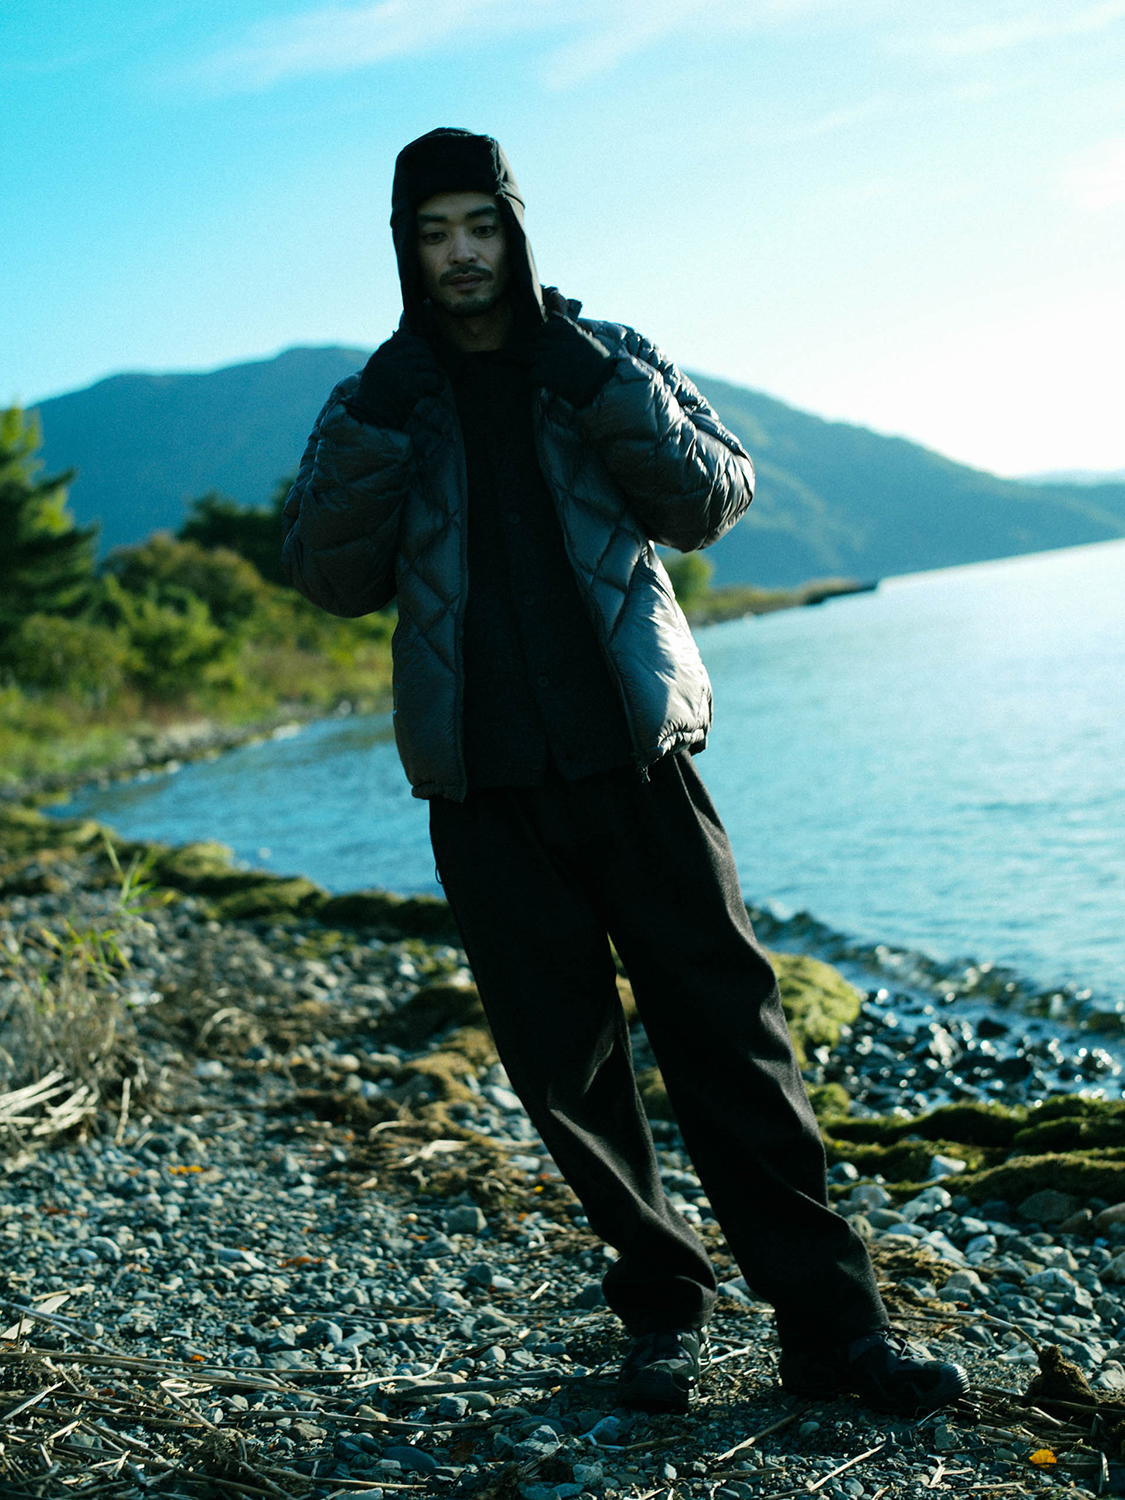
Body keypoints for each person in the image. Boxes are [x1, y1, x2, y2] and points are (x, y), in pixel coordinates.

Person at [282, 127, 967, 1417]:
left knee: (736, 1043)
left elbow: (713, 499)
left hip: (638, 767)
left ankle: (835, 1335)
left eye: (480, 225)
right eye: (433, 233)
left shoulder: (606, 354)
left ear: (515, 228)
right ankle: (662, 1316)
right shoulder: (376, 396)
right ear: (405, 250)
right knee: (565, 1071)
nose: (461, 254)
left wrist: (598, 383)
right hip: (483, 788)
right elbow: (327, 575)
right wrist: (375, 420)